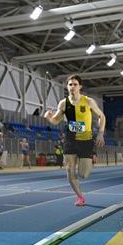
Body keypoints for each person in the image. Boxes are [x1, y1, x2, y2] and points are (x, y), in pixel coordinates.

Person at [44, 74, 105, 207]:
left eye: (75, 84)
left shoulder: (88, 101)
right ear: (67, 87)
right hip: (70, 140)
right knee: (69, 169)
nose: (72, 87)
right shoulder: (63, 103)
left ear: (80, 86)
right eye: (70, 84)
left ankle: (89, 160)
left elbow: (102, 116)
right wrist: (49, 117)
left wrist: (100, 133)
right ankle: (80, 197)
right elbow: (55, 120)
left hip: (86, 140)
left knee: (83, 174)